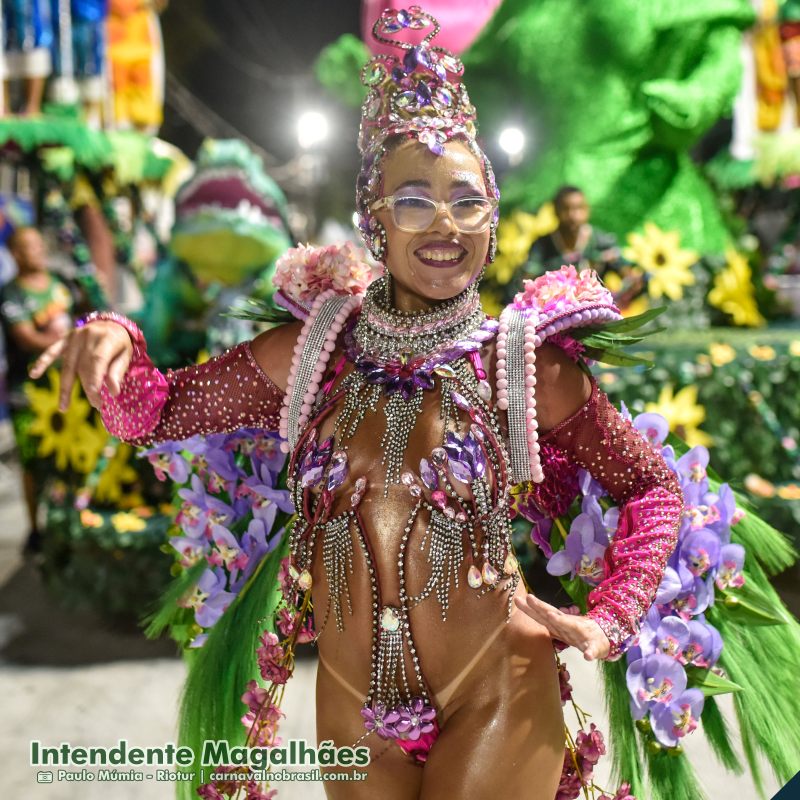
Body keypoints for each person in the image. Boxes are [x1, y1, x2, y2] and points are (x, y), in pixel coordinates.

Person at [32, 9, 684, 799]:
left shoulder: (520, 363)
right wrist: (108, 338)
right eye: (414, 199)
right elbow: (158, 411)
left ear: (496, 214)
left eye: (467, 200)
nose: (445, 222)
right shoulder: (316, 349)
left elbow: (653, 484)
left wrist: (609, 617)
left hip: (496, 687)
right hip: (351, 706)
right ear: (373, 217)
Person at [0, 226, 74, 552]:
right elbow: (25, 337)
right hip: (27, 392)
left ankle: (69, 521)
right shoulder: (11, 294)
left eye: (38, 244)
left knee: (68, 457)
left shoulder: (62, 284)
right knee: (32, 462)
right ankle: (36, 529)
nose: (36, 251)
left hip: (67, 387)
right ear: (15, 254)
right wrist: (70, 343)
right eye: (27, 247)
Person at [514, 185, 644, 308]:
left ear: (587, 209)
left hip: (593, 313)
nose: (573, 215)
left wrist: (631, 281)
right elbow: (527, 281)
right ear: (555, 211)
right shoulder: (542, 245)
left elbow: (625, 271)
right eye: (566, 209)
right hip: (553, 314)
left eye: (579, 208)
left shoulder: (601, 241)